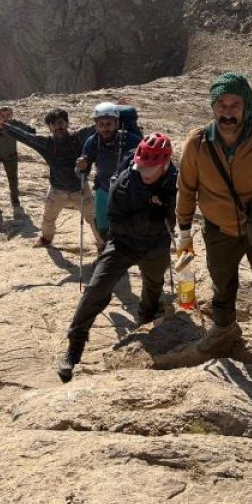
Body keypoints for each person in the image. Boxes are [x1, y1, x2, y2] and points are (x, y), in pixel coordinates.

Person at [175, 72, 252, 366]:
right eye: (221, 104)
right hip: (218, 230)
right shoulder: (198, 142)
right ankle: (224, 328)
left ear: (246, 107)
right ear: (213, 106)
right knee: (222, 283)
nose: (227, 112)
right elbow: (186, 187)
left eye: (234, 105)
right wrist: (184, 230)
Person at [57, 133, 179, 383]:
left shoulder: (175, 182)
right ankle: (75, 346)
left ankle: (145, 326)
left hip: (156, 245)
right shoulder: (125, 181)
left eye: (151, 167)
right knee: (96, 289)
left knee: (153, 289)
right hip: (124, 243)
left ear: (165, 164)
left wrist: (163, 211)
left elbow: (177, 215)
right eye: (142, 165)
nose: (144, 171)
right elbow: (114, 220)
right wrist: (150, 212)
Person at [0, 107, 96, 246]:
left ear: (67, 123)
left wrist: (117, 109)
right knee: (48, 219)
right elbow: (24, 136)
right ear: (49, 127)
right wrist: (2, 125)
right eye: (54, 124)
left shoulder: (79, 136)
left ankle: (102, 244)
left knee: (94, 219)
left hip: (81, 189)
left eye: (61, 122)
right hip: (57, 191)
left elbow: (99, 125)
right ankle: (46, 239)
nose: (58, 127)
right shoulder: (46, 143)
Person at [76, 102, 142, 251]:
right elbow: (81, 171)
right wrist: (81, 168)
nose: (105, 128)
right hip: (104, 188)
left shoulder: (132, 141)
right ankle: (108, 251)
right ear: (96, 125)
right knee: (102, 226)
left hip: (128, 191)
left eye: (109, 124)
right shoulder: (92, 142)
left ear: (117, 123)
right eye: (101, 124)